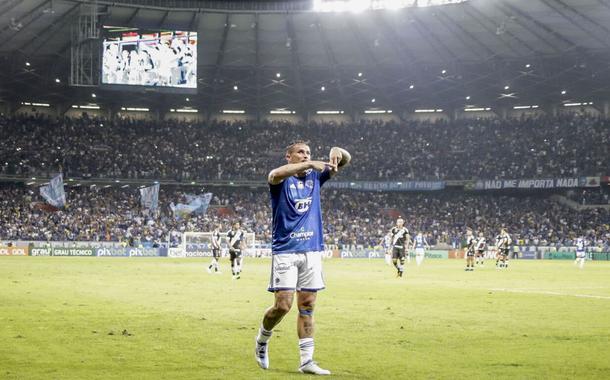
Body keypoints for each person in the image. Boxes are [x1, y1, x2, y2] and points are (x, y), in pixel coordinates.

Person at [254, 140, 351, 375]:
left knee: (307, 306)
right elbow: (274, 173)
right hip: (286, 250)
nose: (306, 155)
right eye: (300, 152)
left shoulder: (316, 178)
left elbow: (344, 159)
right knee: (283, 306)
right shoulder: (280, 180)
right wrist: (310, 163)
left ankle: (307, 361)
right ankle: (262, 341)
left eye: (308, 153)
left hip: (311, 250)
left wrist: (336, 152)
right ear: (289, 156)